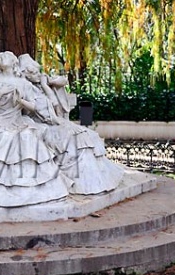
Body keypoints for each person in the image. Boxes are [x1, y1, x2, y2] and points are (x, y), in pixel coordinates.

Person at [0, 51, 70, 207]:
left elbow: (33, 107)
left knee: (27, 137)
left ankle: (31, 187)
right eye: (0, 57)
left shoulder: (24, 84)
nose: (2, 57)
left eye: (6, 56)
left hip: (19, 119)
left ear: (14, 62)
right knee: (4, 137)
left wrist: (21, 101)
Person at [18, 53, 124, 194]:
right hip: (42, 124)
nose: (38, 75)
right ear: (25, 74)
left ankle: (94, 181)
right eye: (34, 73)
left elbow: (56, 106)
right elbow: (44, 112)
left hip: (54, 121)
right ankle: (81, 182)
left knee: (87, 135)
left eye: (38, 71)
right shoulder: (27, 89)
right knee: (74, 139)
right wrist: (45, 86)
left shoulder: (41, 86)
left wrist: (46, 85)